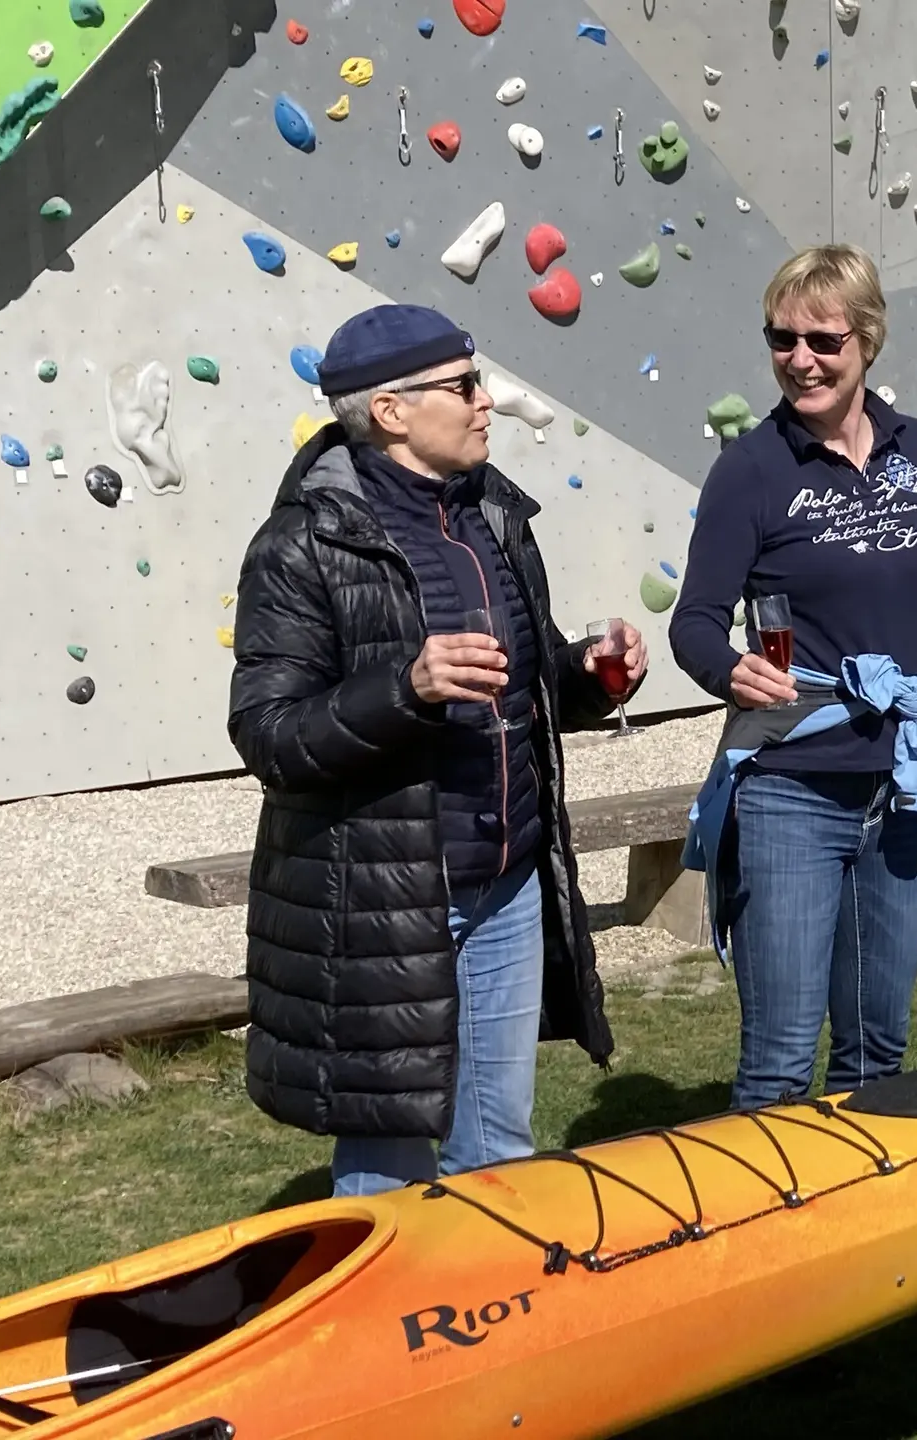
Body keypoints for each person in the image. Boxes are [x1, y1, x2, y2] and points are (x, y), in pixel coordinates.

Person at [228, 303, 647, 1196]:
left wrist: (590, 675)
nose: (487, 400)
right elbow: (269, 734)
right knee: (389, 1169)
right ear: (391, 412)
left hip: (505, 888)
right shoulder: (303, 542)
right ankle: (384, 1334)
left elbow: (515, 690)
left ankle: (495, 1328)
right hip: (386, 905)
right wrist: (404, 690)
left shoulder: (495, 515)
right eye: (464, 386)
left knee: (498, 1151)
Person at [670, 245, 917, 1110]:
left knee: (879, 1052)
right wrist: (728, 669)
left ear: (868, 340)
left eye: (822, 340)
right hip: (790, 791)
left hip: (905, 788)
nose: (799, 359)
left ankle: (865, 1234)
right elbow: (694, 621)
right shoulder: (751, 470)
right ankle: (761, 1238)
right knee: (777, 1060)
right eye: (781, 340)